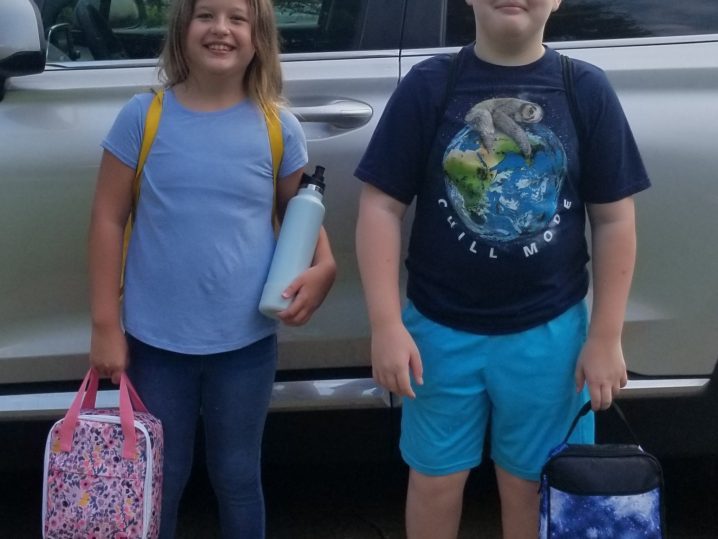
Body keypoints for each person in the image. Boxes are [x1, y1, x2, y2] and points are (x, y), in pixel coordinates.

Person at [354, 0, 650, 537]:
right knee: (434, 481)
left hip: (550, 338)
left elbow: (613, 219)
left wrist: (606, 338)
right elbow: (381, 206)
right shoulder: (430, 86)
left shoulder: (585, 89)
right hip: (436, 334)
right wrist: (385, 325)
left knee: (534, 487)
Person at [87, 0, 336, 536]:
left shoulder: (277, 126)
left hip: (246, 345)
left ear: (258, 36)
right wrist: (106, 324)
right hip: (156, 345)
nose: (220, 28)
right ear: (182, 28)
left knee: (239, 476)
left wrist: (326, 267)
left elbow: (302, 214)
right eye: (205, 15)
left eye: (237, 18)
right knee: (159, 476)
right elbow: (107, 219)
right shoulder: (143, 117)